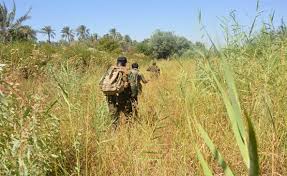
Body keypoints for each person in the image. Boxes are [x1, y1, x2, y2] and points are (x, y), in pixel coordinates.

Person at [100, 56, 132, 127]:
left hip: (110, 95)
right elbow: (127, 85)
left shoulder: (111, 69)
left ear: (117, 62)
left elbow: (102, 82)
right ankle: (128, 129)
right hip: (122, 95)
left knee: (113, 114)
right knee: (127, 113)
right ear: (125, 63)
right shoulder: (125, 70)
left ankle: (114, 130)